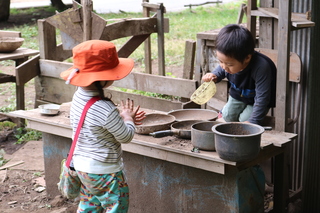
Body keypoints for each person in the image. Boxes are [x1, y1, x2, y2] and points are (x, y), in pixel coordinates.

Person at [60, 40, 146, 213]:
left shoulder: (78, 96)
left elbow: (95, 128)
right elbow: (126, 137)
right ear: (102, 78)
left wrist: (120, 120)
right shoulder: (104, 108)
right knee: (115, 207)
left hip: (83, 168)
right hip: (105, 172)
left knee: (90, 205)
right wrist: (127, 119)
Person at [202, 24, 277, 125]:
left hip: (256, 101)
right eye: (220, 61)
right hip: (237, 95)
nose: (224, 67)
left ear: (247, 58)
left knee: (243, 120)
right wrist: (214, 75)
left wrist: (253, 122)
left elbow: (262, 99)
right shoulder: (228, 63)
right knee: (227, 116)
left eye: (229, 64)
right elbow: (221, 70)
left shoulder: (261, 67)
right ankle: (224, 114)